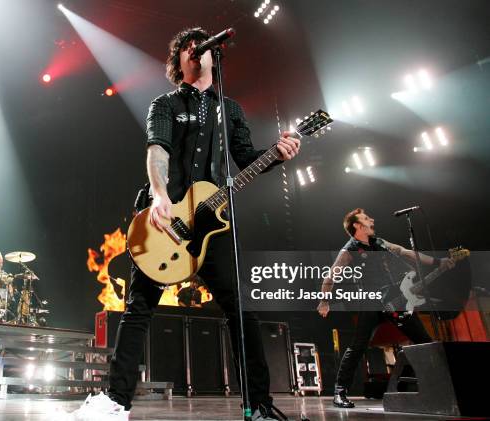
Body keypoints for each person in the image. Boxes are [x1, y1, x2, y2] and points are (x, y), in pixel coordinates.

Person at [74, 27, 300, 421]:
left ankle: (259, 405)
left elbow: (246, 159)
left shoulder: (230, 110)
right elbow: (156, 151)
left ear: (215, 56)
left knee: (242, 310)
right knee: (138, 308)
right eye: (185, 47)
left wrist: (278, 154)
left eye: (200, 45)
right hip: (164, 221)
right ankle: (115, 401)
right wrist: (160, 194)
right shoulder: (164, 104)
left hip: (211, 227)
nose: (195, 50)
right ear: (178, 61)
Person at [317, 208, 455, 408]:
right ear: (356, 225)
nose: (371, 219)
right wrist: (324, 301)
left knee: (423, 342)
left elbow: (406, 252)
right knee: (358, 347)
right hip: (371, 301)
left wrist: (437, 261)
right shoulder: (349, 249)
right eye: (365, 218)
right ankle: (340, 392)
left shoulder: (380, 243)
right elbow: (330, 276)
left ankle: (442, 387)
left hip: (395, 299)